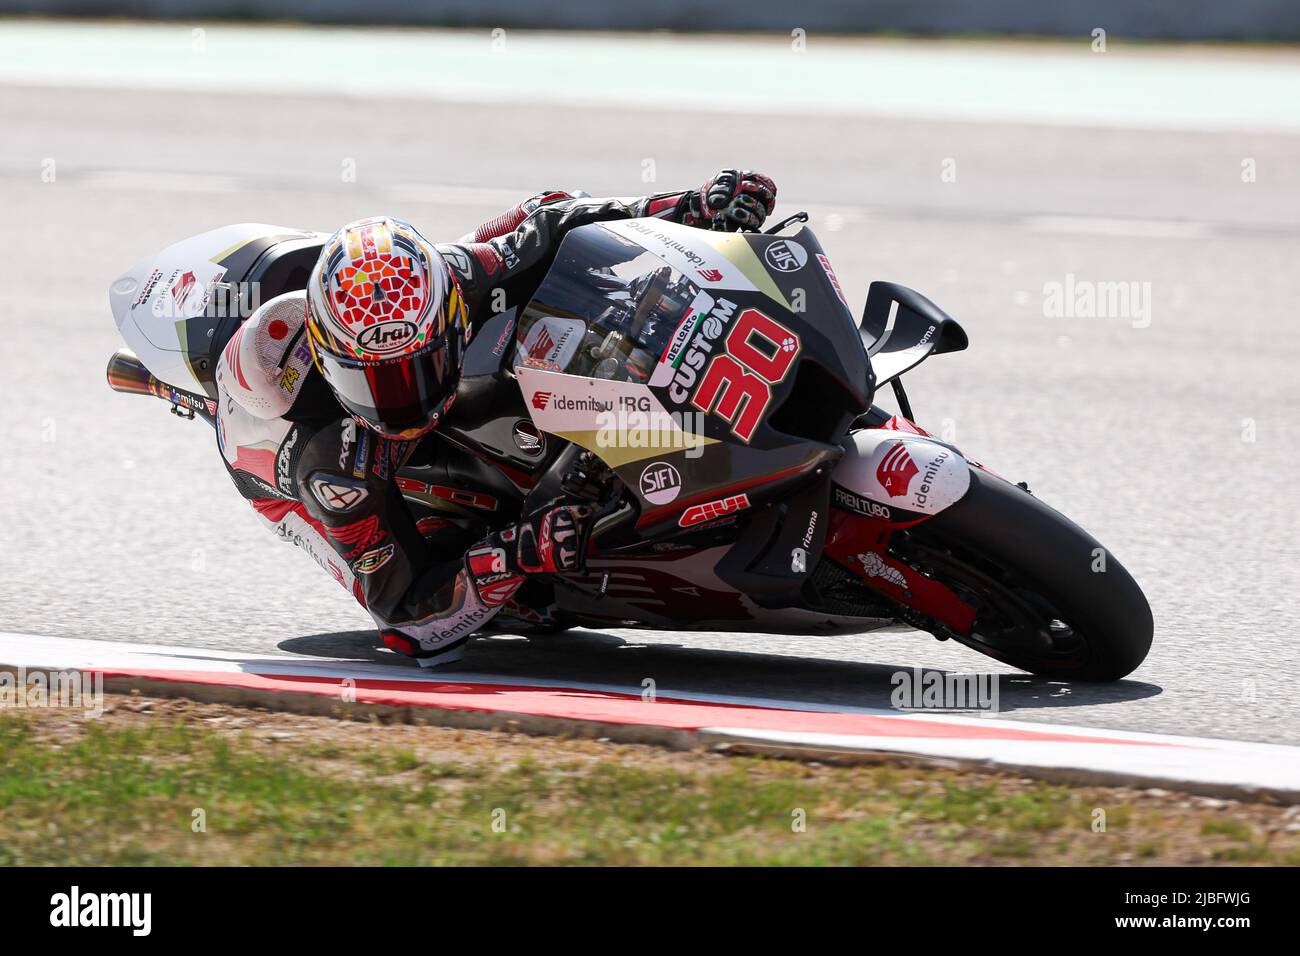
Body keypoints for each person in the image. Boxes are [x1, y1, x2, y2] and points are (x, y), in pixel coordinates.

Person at [214, 170, 778, 666]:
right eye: (373, 380)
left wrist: (691, 205)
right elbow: (409, 623)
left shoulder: (458, 278)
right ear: (331, 360)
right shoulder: (330, 466)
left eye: (418, 367)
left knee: (542, 211)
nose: (400, 401)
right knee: (526, 599)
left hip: (440, 335)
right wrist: (516, 551)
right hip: (293, 472)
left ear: (448, 315)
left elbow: (556, 226)